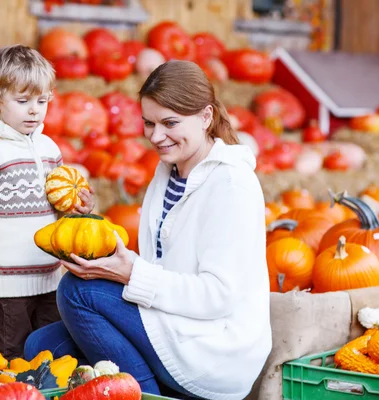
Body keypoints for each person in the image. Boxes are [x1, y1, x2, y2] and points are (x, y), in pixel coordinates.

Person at [24, 60, 271, 400]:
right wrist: (91, 222)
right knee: (41, 346)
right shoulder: (169, 170)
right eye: (149, 123)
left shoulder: (231, 184)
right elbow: (161, 260)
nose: (156, 136)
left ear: (205, 117)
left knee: (76, 292)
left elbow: (218, 296)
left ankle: (149, 395)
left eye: (170, 123)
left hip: (213, 345)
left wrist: (131, 275)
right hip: (174, 320)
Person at [0, 45, 95, 359]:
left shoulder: (49, 148)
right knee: (8, 350)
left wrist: (78, 208)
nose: (34, 110)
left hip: (49, 274)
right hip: (6, 281)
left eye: (42, 101)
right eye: (23, 101)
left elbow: (58, 201)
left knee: (48, 351)